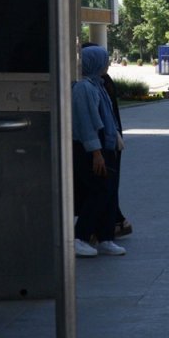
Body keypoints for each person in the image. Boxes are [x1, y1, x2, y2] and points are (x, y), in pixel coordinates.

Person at [72, 44, 125, 257]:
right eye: (104, 60)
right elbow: (86, 122)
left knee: (109, 191)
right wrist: (96, 152)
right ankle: (80, 237)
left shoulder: (97, 84)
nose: (108, 64)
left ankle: (105, 238)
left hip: (105, 144)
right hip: (91, 147)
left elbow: (107, 117)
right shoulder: (84, 88)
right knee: (99, 190)